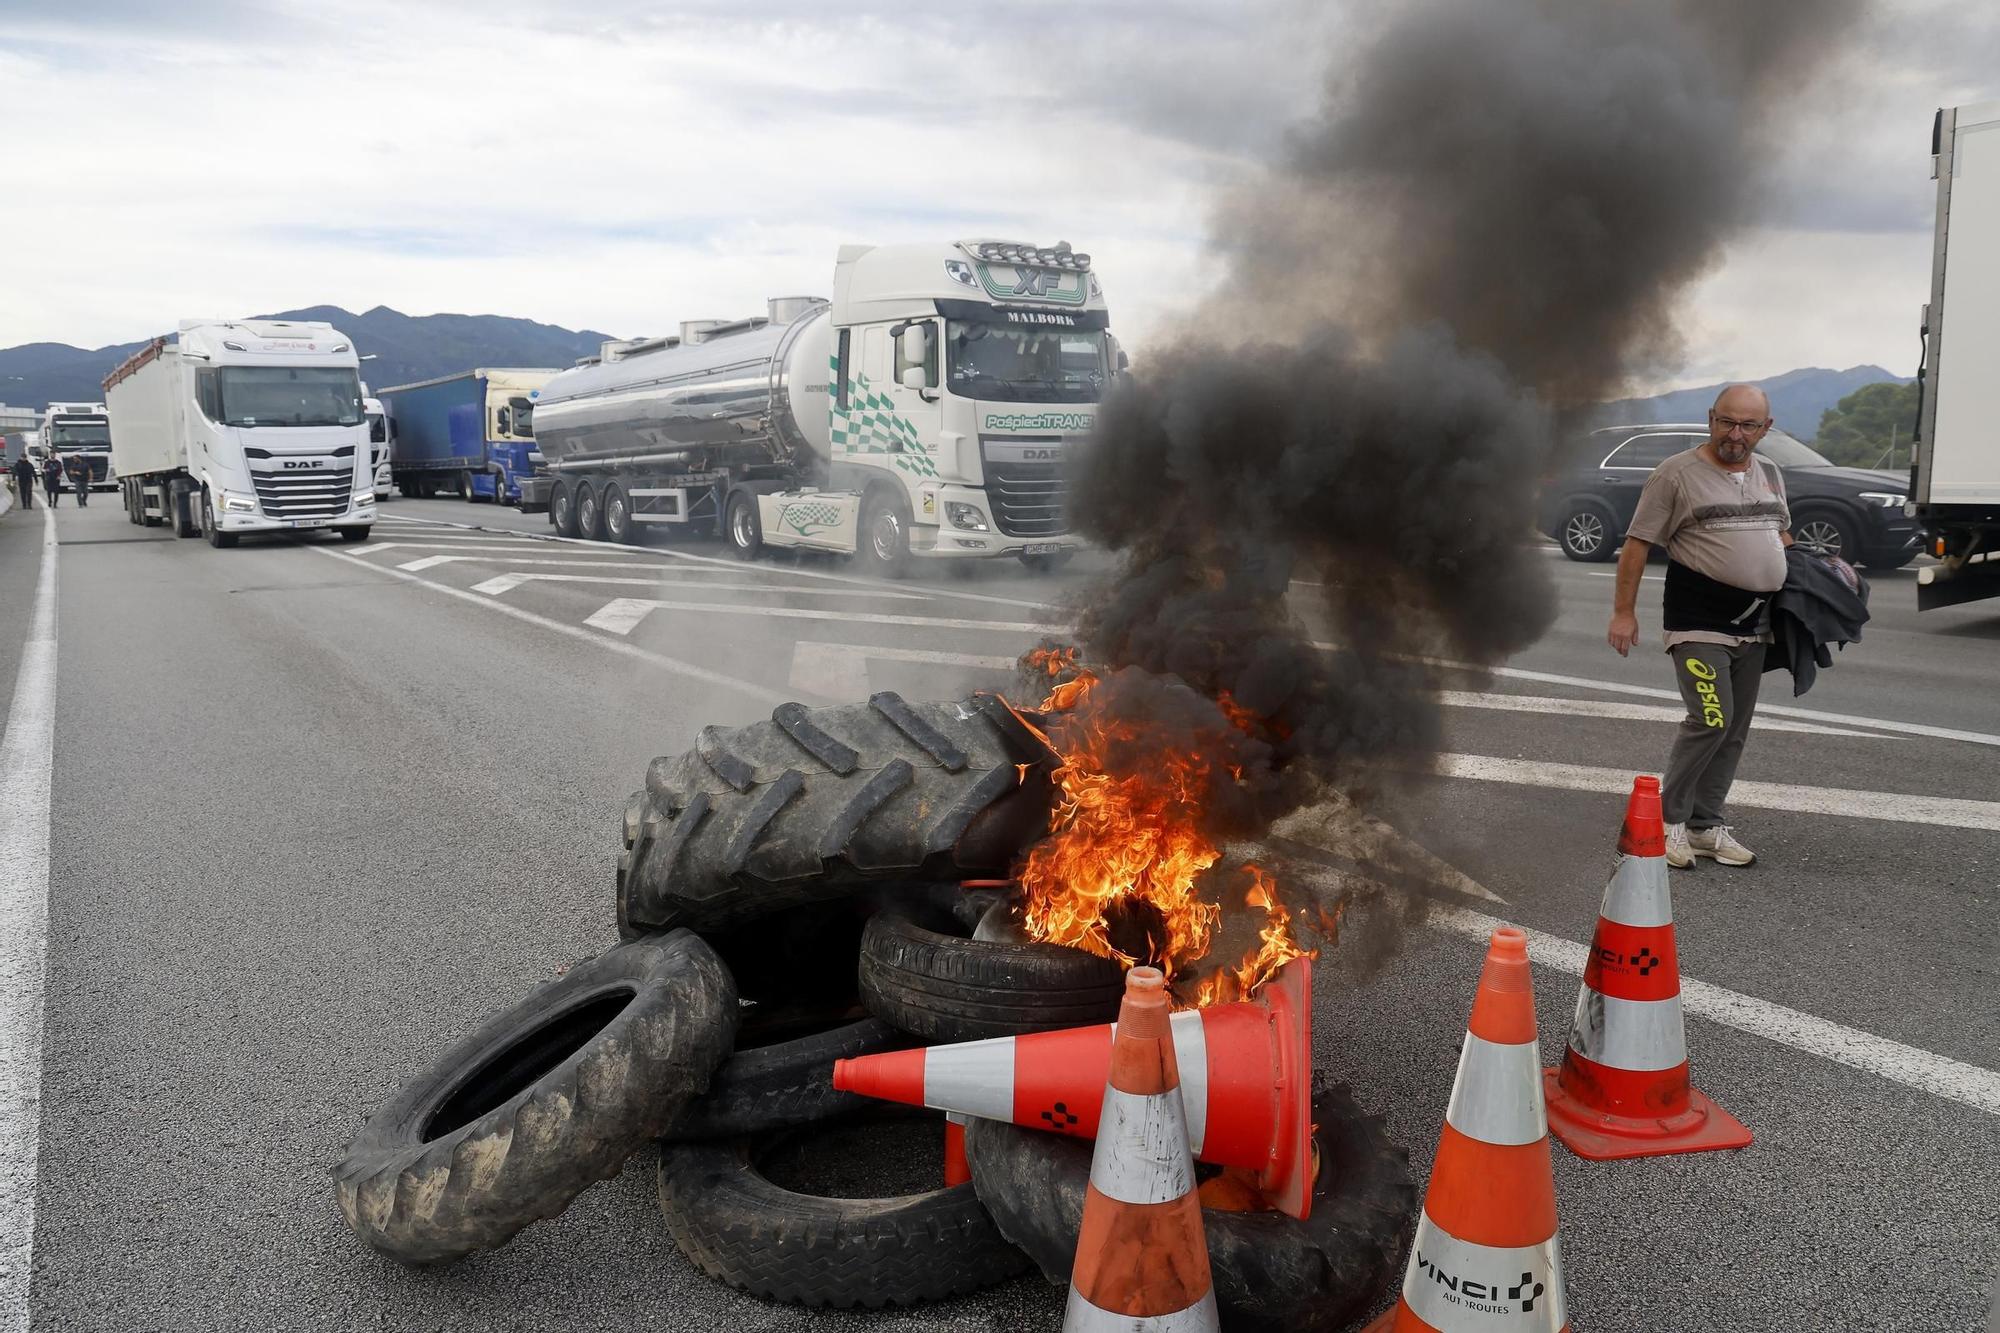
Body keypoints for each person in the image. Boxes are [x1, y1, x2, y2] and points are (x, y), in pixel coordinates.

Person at [1606, 384, 1793, 871]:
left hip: (1756, 625)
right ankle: (1668, 821)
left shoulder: (1770, 472)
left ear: (1765, 429)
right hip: (1698, 622)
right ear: (1711, 419)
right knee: (1710, 719)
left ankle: (1705, 825)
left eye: (1748, 425)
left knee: (1734, 729)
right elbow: (1637, 544)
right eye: (1726, 422)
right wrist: (1624, 612)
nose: (1736, 434)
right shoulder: (1675, 473)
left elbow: (1780, 532)